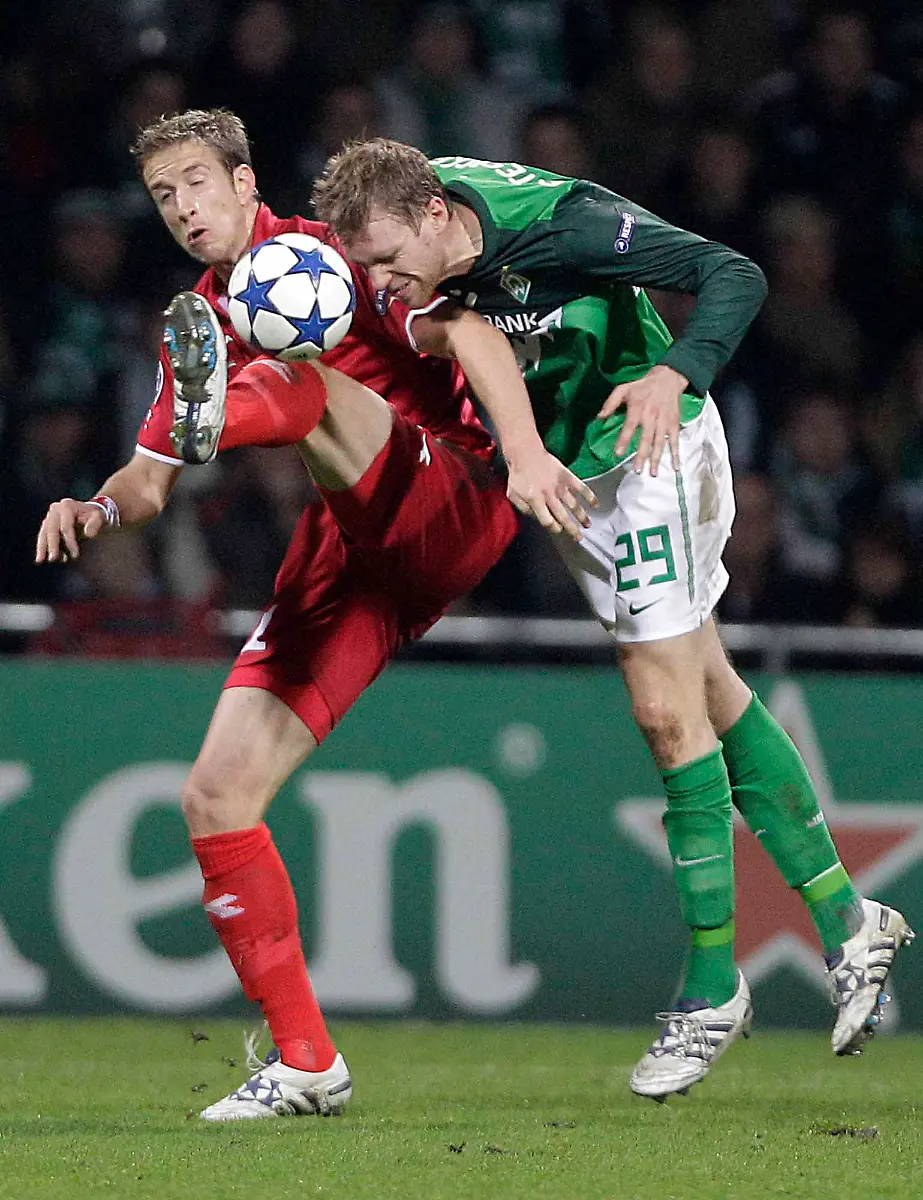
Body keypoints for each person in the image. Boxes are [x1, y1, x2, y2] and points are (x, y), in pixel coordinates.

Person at [312, 138, 916, 1099]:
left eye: (386, 259)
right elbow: (465, 332)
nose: (380, 281)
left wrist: (677, 373)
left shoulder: (568, 225)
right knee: (709, 692)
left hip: (651, 449)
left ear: (433, 215)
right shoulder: (421, 242)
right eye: (366, 267)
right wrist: (515, 447)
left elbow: (734, 273)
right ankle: (852, 919)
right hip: (571, 473)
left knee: (662, 710)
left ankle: (712, 986)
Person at [35, 109, 594, 1120]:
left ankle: (235, 416)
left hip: (451, 492)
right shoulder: (199, 321)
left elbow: (465, 327)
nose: (184, 207)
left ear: (247, 184)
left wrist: (523, 457)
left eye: (198, 183)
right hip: (354, 555)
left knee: (303, 379)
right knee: (214, 797)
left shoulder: (338, 255)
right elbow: (147, 483)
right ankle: (306, 1063)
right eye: (165, 198)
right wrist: (100, 505)